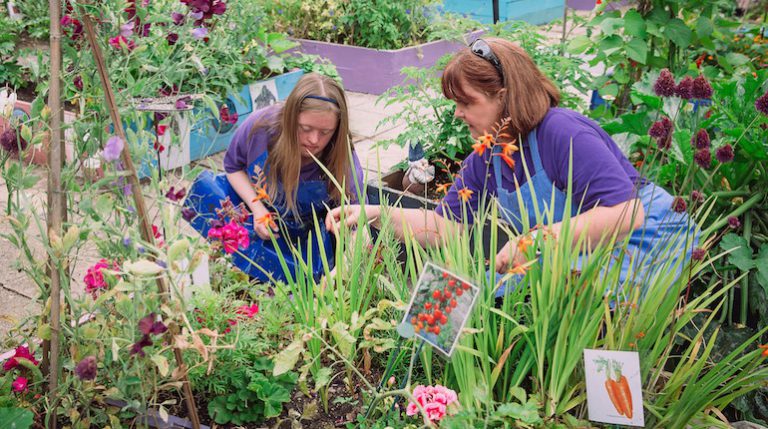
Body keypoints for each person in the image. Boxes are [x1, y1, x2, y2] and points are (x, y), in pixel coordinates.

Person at [325, 38, 698, 298]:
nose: (457, 113)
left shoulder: (560, 132)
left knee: (559, 320)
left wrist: (535, 242)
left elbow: (627, 214)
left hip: (643, 244)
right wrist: (373, 213)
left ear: (503, 97)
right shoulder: (487, 157)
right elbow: (442, 227)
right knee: (477, 294)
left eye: (466, 102)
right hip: (573, 254)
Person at [185, 72, 366, 283]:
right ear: (291, 118)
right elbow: (233, 167)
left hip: (307, 233)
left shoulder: (343, 156)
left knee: (307, 277)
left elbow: (358, 223)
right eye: (305, 129)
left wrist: (340, 274)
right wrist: (258, 209)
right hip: (265, 217)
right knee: (208, 191)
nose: (314, 140)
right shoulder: (261, 127)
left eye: (325, 132)